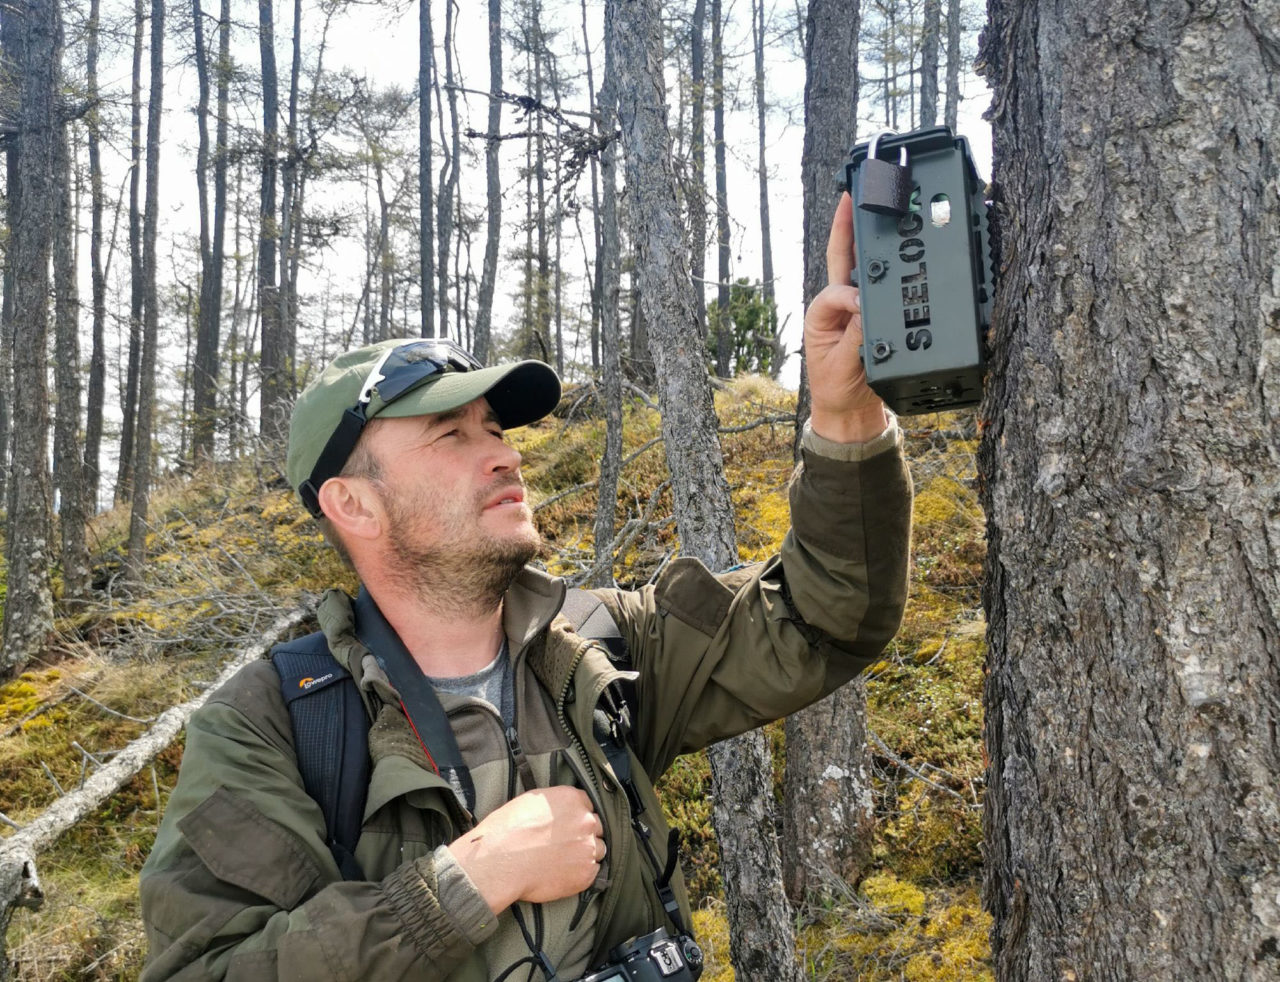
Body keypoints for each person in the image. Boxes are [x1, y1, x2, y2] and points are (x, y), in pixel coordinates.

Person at [138, 193, 912, 981]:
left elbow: (827, 617)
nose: (505, 456)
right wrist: (464, 884)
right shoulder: (272, 726)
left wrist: (845, 417)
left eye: (495, 429)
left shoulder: (600, 647)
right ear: (354, 505)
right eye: (451, 434)